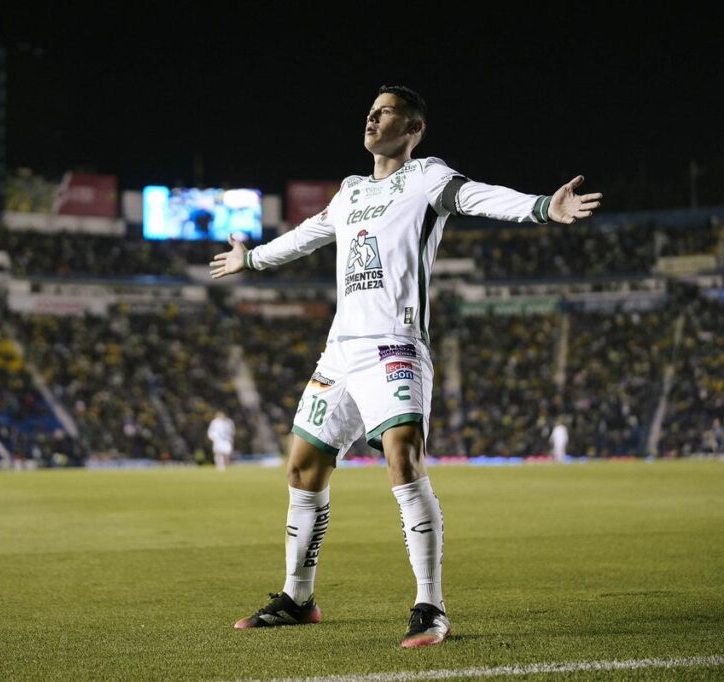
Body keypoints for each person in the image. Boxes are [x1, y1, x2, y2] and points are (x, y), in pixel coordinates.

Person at [210, 85, 600, 647]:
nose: (371, 117)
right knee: (301, 469)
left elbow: (480, 197)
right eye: (369, 109)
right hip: (340, 350)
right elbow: (306, 237)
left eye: (385, 110)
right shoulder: (348, 194)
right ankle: (298, 597)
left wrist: (543, 207)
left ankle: (430, 607)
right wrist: (253, 258)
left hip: (395, 344)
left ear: (414, 127)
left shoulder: (427, 179)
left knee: (402, 458)